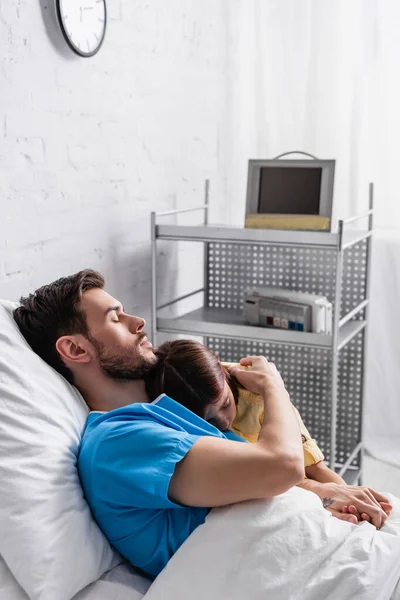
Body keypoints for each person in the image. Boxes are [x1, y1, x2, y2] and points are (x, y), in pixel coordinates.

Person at [13, 269, 392, 579]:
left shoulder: (169, 416)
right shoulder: (116, 442)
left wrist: (325, 494)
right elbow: (280, 466)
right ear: (75, 350)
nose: (138, 321)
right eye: (115, 318)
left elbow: (274, 480)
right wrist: (273, 384)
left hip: (339, 550)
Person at [144, 339, 346, 485]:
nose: (223, 422)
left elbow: (315, 469)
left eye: (225, 404)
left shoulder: (259, 396)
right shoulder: (167, 414)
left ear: (224, 375)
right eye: (210, 421)